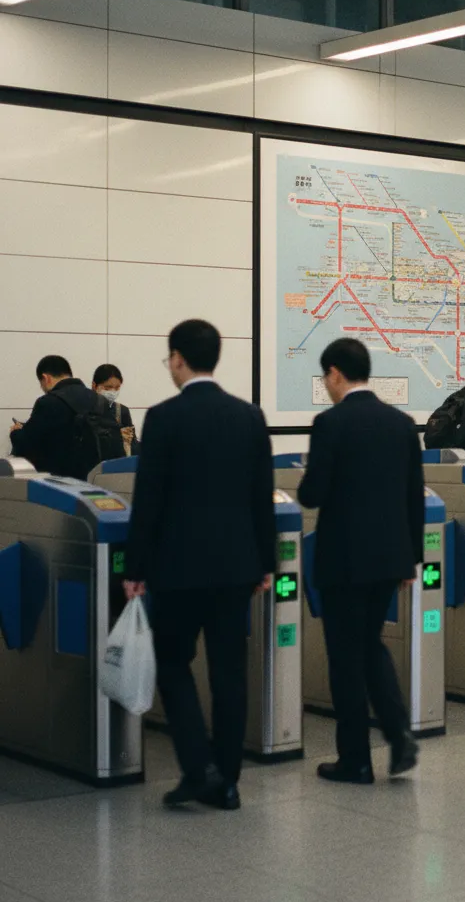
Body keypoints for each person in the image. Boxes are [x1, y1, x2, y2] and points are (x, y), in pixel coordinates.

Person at [123, 320, 276, 811]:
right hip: (236, 567)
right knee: (230, 672)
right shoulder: (249, 417)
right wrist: (267, 562)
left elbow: (149, 499)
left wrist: (134, 568)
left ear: (178, 359)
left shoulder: (164, 417)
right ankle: (227, 782)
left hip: (178, 567)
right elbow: (262, 497)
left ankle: (198, 768)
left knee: (172, 663)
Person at [298, 338, 423, 784]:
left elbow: (312, 493)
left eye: (325, 377)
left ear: (335, 373)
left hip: (344, 560)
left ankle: (355, 759)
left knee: (346, 658)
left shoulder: (330, 423)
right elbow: (414, 497)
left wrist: (309, 475)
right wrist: (411, 560)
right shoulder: (401, 424)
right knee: (370, 644)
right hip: (390, 559)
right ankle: (399, 734)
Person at [9, 355, 121, 478]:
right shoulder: (99, 400)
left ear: (46, 378)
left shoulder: (48, 403)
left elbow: (27, 446)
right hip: (98, 481)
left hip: (62, 483)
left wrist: (15, 433)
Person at [92, 363, 139, 456]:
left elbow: (133, 446)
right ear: (94, 386)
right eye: (107, 388)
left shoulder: (121, 411)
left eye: (117, 388)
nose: (113, 392)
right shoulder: (85, 408)